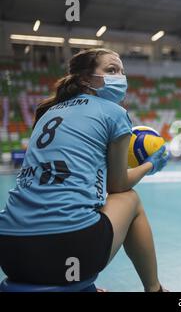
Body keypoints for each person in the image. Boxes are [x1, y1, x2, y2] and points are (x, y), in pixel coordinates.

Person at [0, 48, 170, 292]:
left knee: (83, 200)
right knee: (130, 199)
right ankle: (155, 289)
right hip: (68, 249)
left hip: (10, 251)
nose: (120, 76)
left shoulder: (48, 112)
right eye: (111, 70)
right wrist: (150, 165)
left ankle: (78, 281)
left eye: (122, 71)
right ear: (84, 79)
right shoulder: (114, 112)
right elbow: (118, 185)